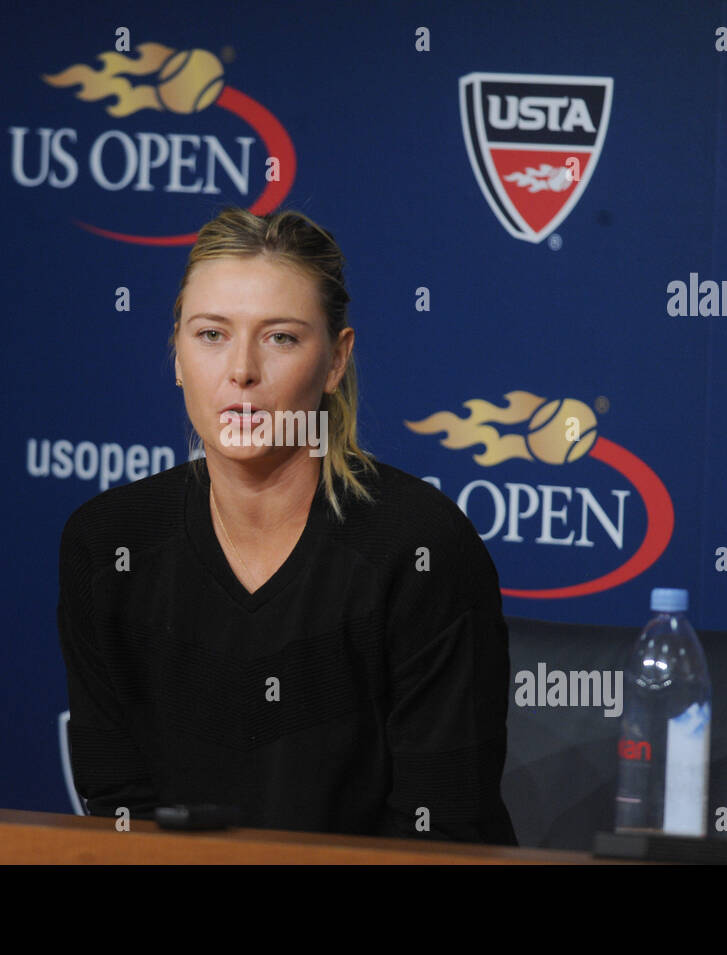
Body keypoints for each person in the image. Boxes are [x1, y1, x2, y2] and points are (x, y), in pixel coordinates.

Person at [57, 207, 516, 844]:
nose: (240, 370)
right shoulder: (110, 545)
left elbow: (439, 826)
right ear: (178, 355)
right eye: (211, 334)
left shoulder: (418, 547)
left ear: (335, 361)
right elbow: (120, 808)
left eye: (280, 337)